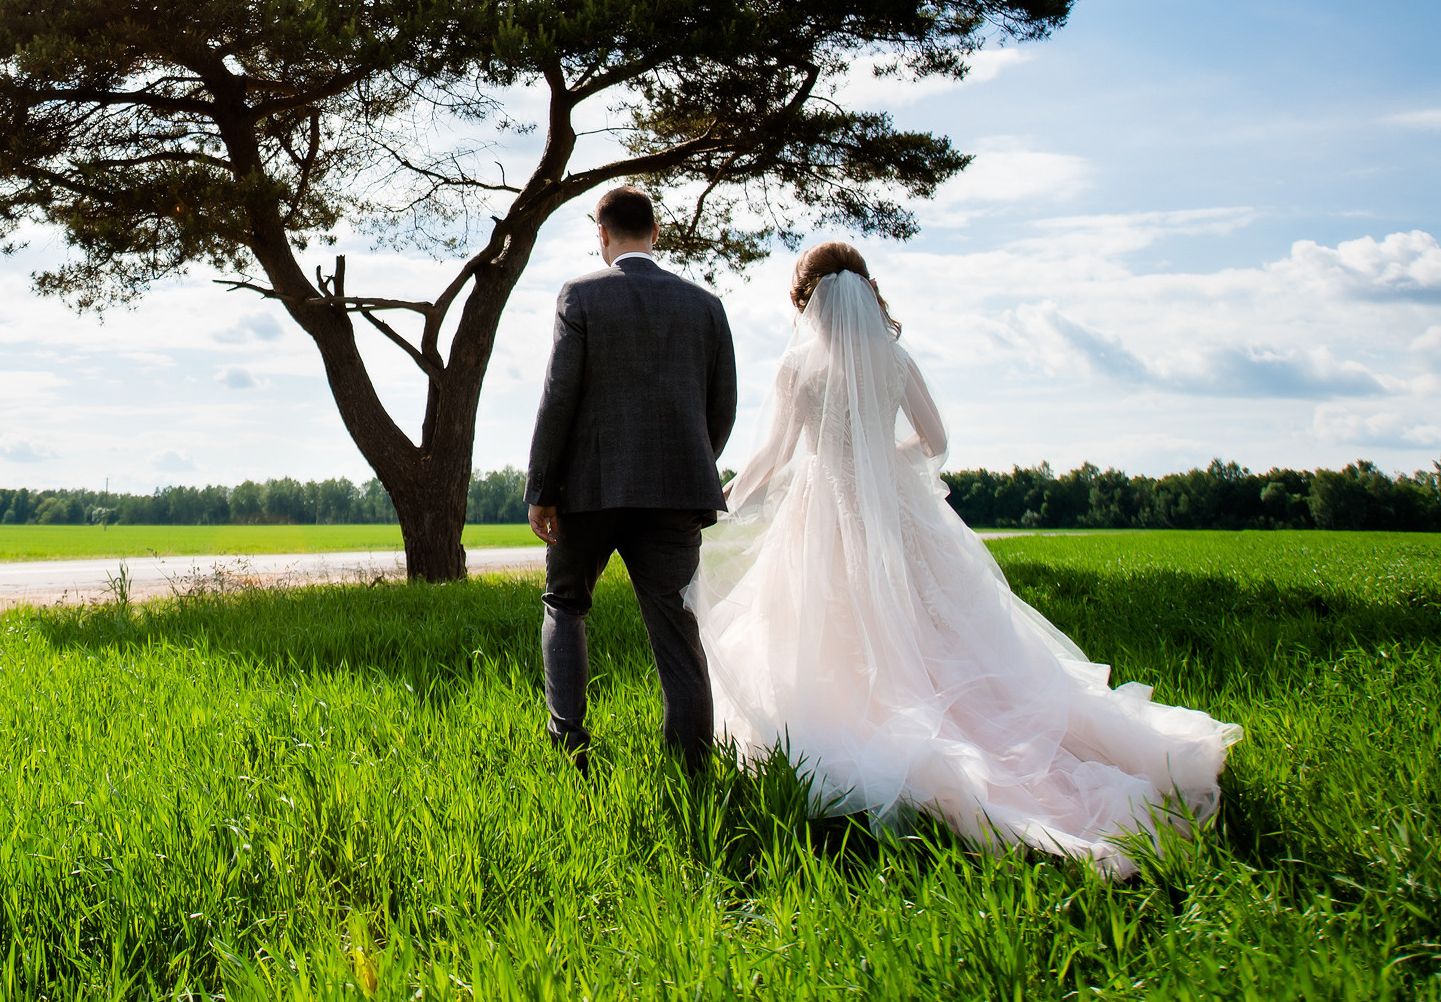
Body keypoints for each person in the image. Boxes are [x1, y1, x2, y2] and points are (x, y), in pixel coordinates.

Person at [690, 242, 1241, 876]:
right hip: (899, 516)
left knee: (833, 630)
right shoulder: (894, 360)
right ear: (867, 292)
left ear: (806, 297)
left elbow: (774, 457)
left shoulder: (798, 372)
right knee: (937, 627)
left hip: (823, 516)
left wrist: (724, 495)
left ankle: (867, 727)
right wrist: (882, 460)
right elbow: (937, 441)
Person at [525, 184, 738, 774]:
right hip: (675, 496)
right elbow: (722, 408)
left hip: (586, 494)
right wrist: (689, 466)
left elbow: (557, 398)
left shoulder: (581, 296)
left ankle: (568, 747)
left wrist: (542, 489)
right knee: (678, 630)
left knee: (565, 604)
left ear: (602, 234)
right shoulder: (705, 305)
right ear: (656, 232)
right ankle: (690, 766)